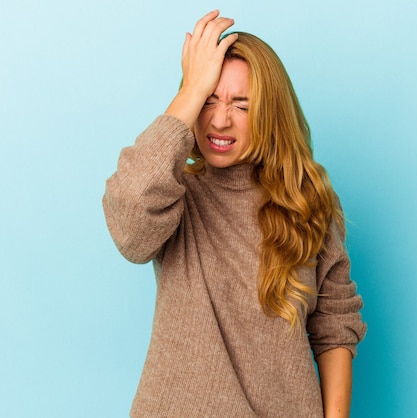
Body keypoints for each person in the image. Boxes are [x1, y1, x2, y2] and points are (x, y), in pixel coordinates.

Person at [103, 10, 366, 418]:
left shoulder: (307, 202)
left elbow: (335, 326)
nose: (220, 119)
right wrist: (190, 89)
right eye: (209, 100)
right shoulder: (176, 195)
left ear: (269, 113)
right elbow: (130, 228)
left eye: (242, 105)